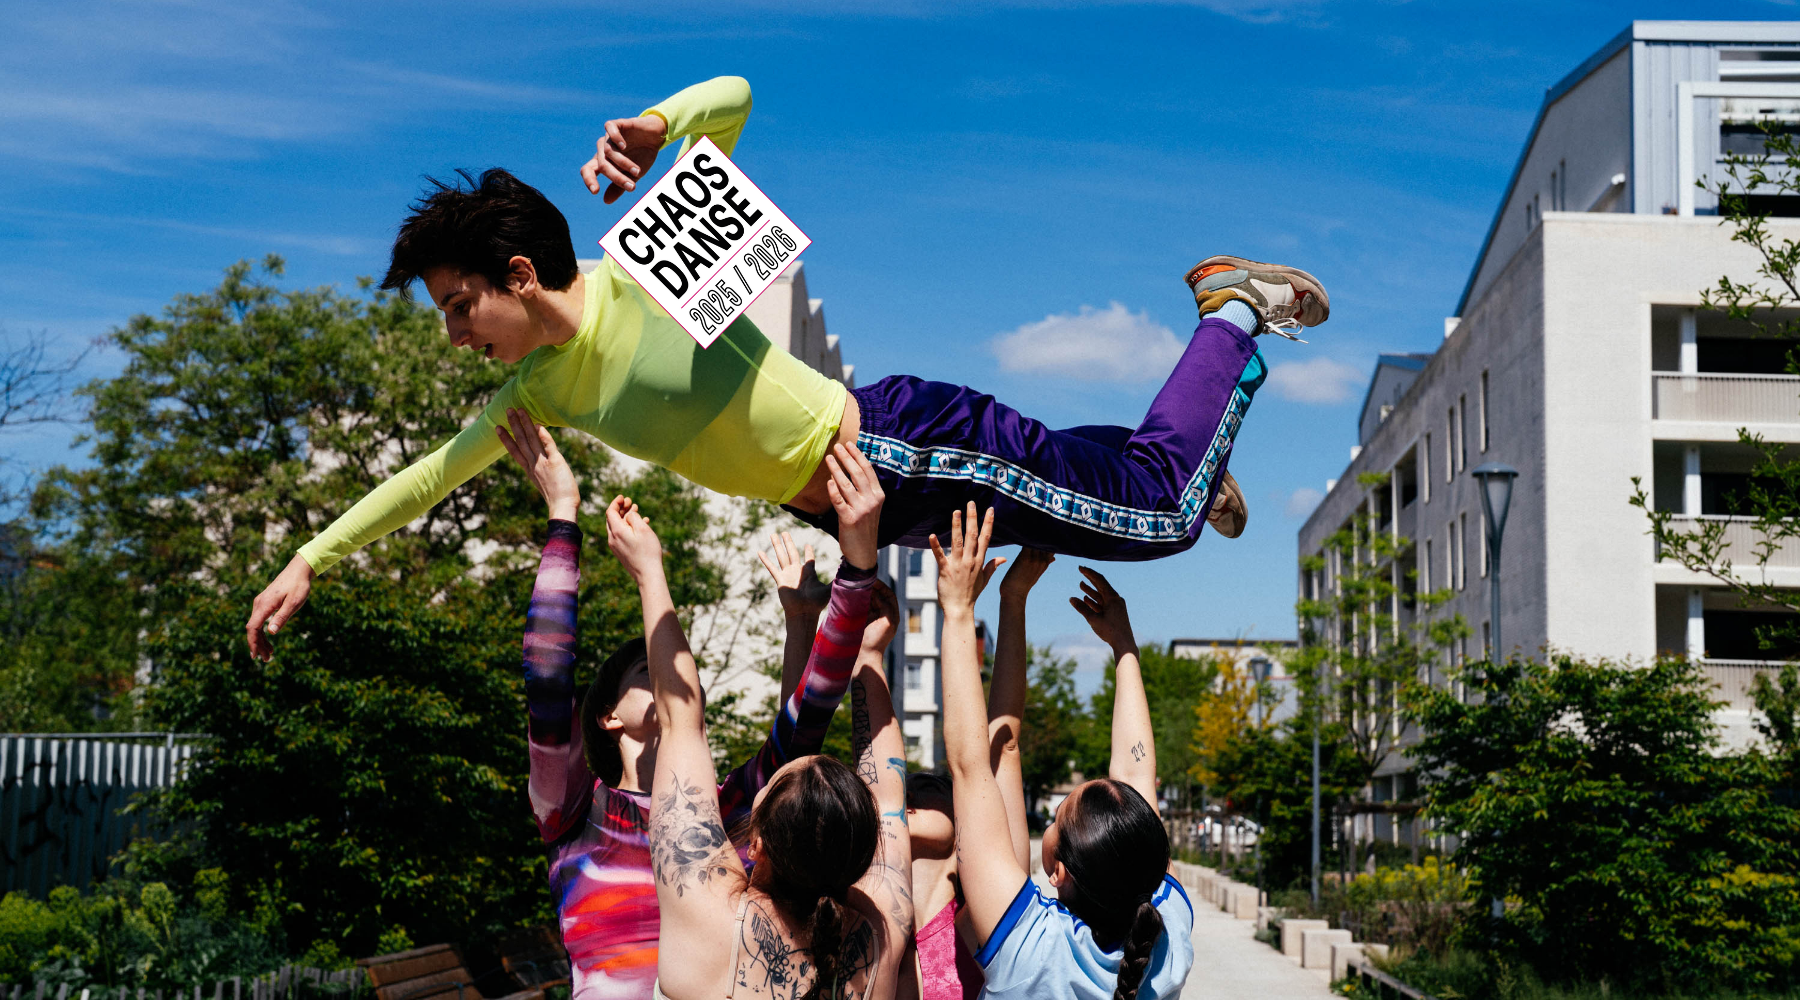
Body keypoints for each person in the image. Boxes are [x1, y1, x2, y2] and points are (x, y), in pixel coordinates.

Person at [243, 74, 1329, 660]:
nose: (454, 336)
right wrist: (313, 555)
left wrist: (658, 126)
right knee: (1081, 481)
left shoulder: (640, 265)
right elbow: (430, 472)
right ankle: (1199, 435)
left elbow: (738, 96)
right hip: (870, 501)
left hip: (901, 450)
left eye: (458, 305)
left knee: (1159, 514)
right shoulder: (540, 391)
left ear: (520, 272)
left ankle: (1230, 311)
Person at [502, 406, 879, 1000]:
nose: (671, 677)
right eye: (646, 670)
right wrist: (562, 517)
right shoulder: (572, 808)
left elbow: (810, 717)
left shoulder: (729, 809)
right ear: (605, 715)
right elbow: (547, 677)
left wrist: (853, 578)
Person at [607, 438, 912, 1000]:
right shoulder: (881, 932)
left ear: (758, 846)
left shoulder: (707, 913)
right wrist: (868, 652)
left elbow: (681, 721)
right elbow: (889, 792)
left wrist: (650, 572)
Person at [933, 504, 1192, 1000]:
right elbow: (1136, 774)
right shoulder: (1165, 945)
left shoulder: (1030, 948)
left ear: (1059, 871)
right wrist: (1013, 603)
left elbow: (977, 763)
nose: (1049, 820)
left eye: (1055, 817)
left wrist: (959, 611)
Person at [899, 547, 1054, 1000]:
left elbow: (1001, 746)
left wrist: (1014, 598)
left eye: (934, 789)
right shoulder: (855, 914)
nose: (918, 789)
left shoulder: (985, 921)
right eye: (910, 790)